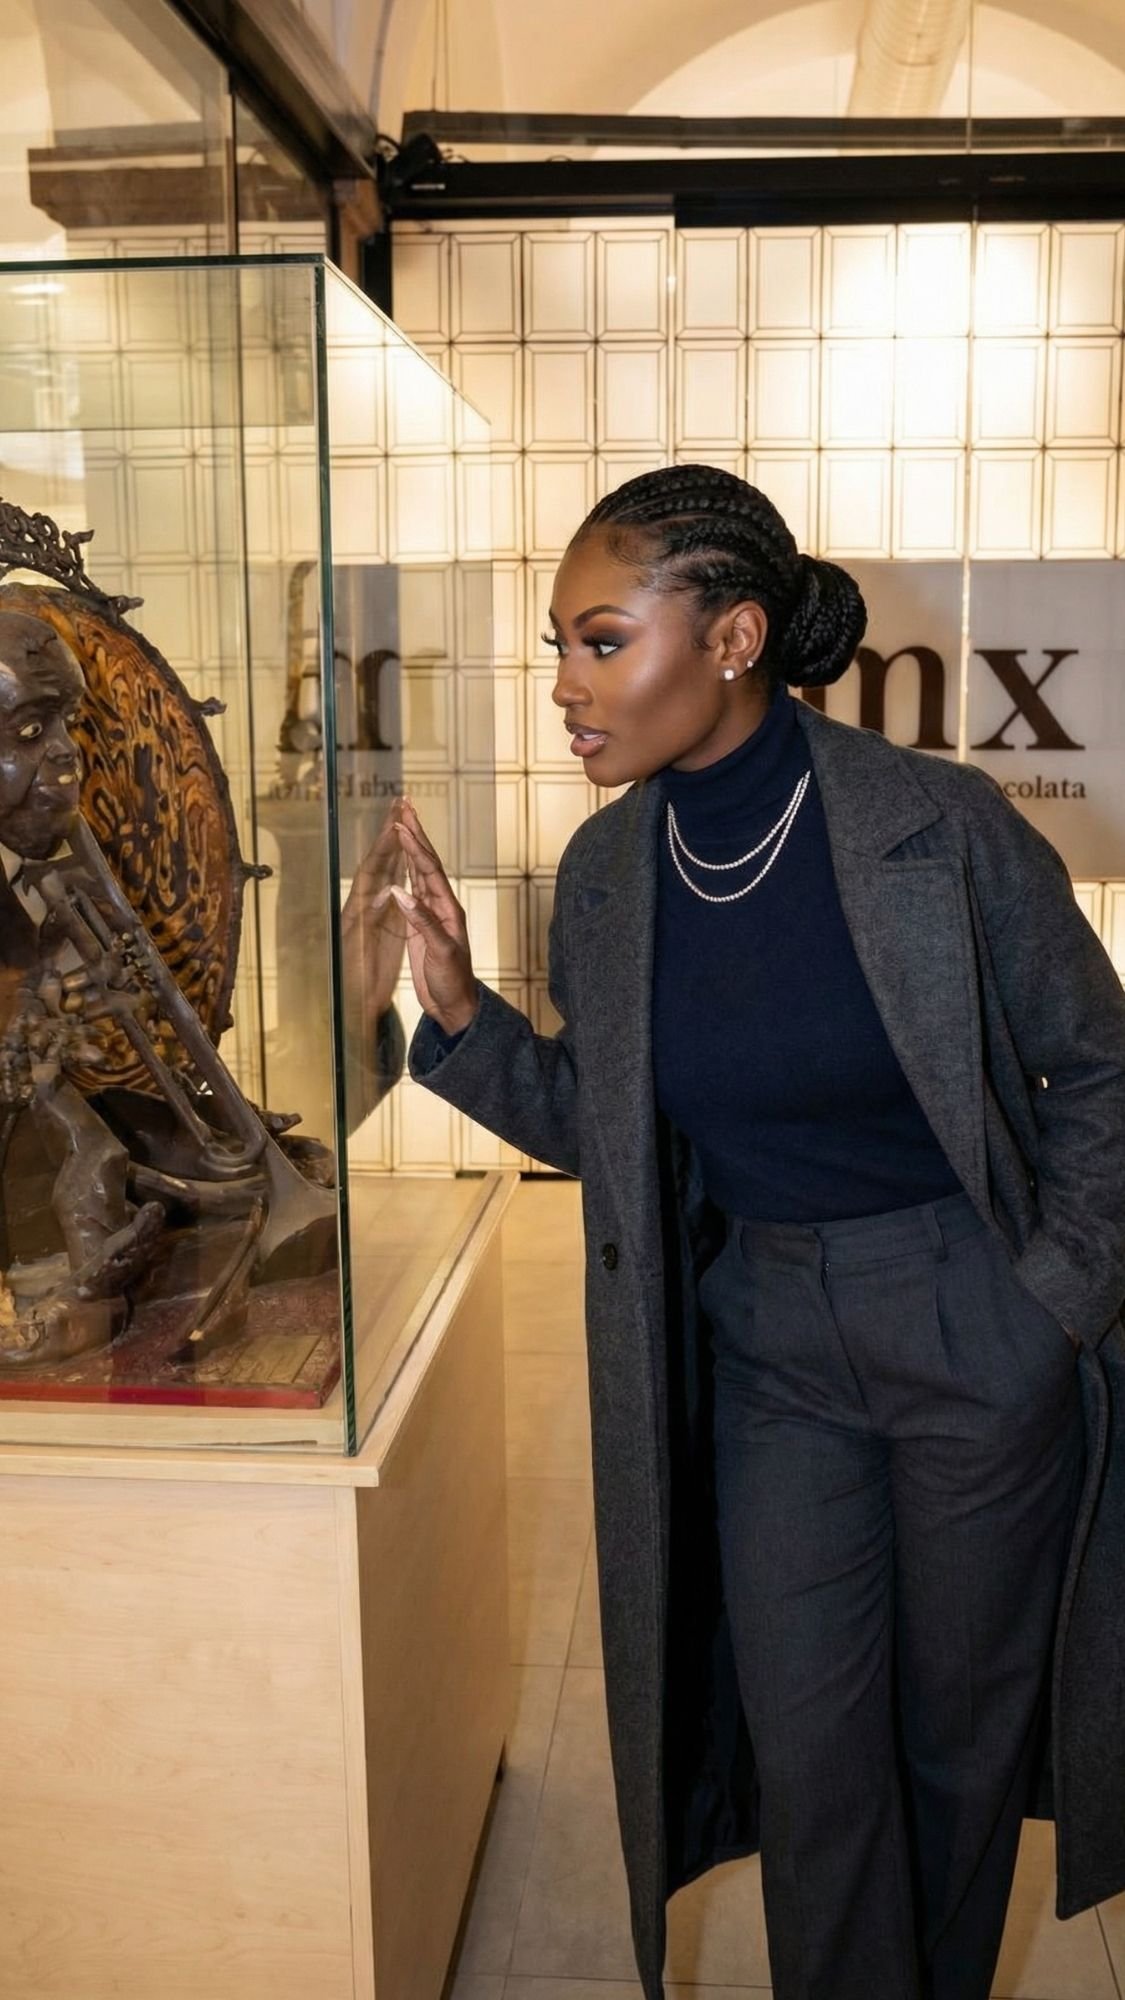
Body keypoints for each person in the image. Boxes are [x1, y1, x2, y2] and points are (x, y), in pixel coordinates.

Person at [377, 465, 1125, 2000]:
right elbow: (618, 1125)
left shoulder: (933, 826)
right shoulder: (607, 873)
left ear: (728, 640)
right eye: (556, 648)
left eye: (598, 643)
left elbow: (1100, 1066)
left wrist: (1050, 1299)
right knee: (812, 1747)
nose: (563, 688)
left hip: (967, 1316)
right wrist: (461, 1020)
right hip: (768, 1349)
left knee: (954, 1741)